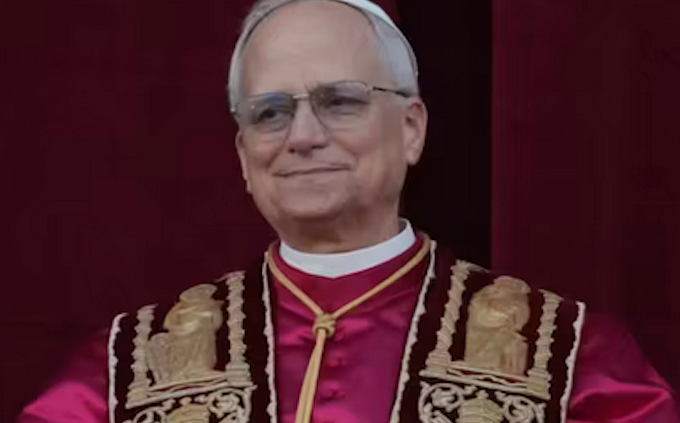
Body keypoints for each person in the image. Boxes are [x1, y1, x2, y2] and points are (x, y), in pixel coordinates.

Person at [18, 0, 679, 422]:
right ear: (244, 155)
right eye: (270, 112)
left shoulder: (568, 358)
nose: (303, 136)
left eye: (340, 101)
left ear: (412, 128)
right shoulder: (125, 369)